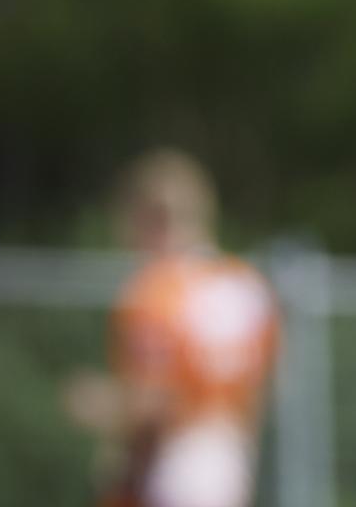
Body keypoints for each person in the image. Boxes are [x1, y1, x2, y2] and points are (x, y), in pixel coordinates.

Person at [66, 149, 279, 507]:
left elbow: (154, 404)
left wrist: (99, 403)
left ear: (152, 219)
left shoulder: (156, 292)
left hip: (169, 471)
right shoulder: (248, 288)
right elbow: (264, 390)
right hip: (229, 464)